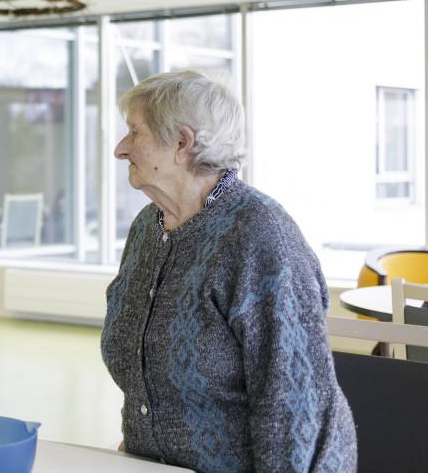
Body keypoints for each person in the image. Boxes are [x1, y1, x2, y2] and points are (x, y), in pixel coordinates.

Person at [101, 71, 356, 472]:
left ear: (182, 143)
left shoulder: (260, 235)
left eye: (135, 133)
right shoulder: (147, 228)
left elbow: (294, 410)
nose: (120, 149)